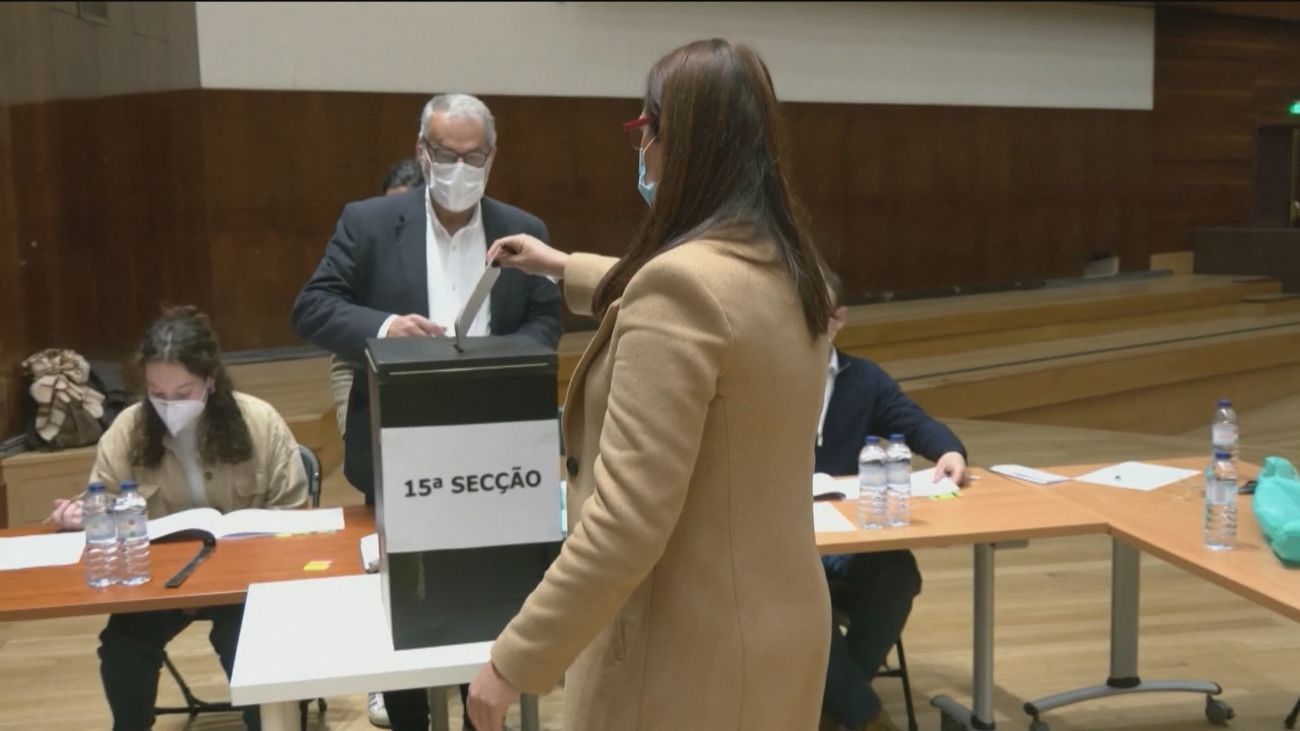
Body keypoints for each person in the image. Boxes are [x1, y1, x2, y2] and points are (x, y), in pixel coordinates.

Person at [467, 39, 835, 731]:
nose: (641, 150)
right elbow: (689, 300)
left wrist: (514, 659)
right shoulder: (789, 269)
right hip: (781, 631)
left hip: (685, 658)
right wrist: (560, 266)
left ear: (679, 144)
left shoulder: (682, 287)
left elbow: (624, 525)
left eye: (645, 129)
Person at [291, 94, 562, 731]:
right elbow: (312, 307)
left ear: (492, 157)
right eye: (445, 154)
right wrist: (385, 327)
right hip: (396, 446)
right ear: (422, 151)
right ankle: (409, 719)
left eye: (473, 156)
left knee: (488, 599)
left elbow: (546, 324)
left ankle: (482, 717)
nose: (458, 167)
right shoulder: (368, 221)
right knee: (406, 603)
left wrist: (487, 358)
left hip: (495, 453)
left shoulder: (523, 229)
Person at [48, 306, 307, 731]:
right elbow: (105, 501)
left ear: (211, 381)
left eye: (183, 393)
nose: (170, 406)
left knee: (247, 646)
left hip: (247, 587)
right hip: (158, 587)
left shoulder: (261, 423)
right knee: (121, 648)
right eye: (157, 394)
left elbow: (294, 517)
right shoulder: (128, 431)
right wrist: (80, 514)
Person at [817, 270, 969, 731]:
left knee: (897, 573)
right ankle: (865, 717)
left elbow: (914, 421)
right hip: (777, 550)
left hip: (845, 538)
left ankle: (837, 707)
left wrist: (950, 451)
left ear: (838, 319)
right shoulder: (758, 380)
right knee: (796, 596)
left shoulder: (863, 379)